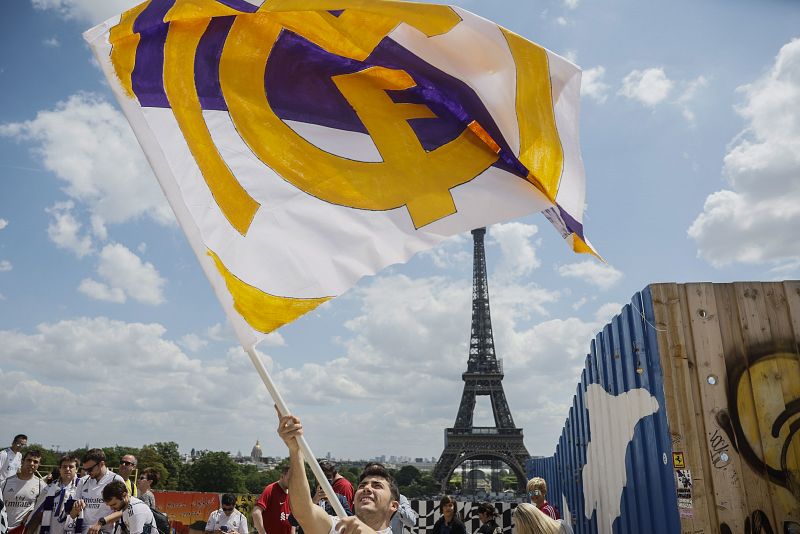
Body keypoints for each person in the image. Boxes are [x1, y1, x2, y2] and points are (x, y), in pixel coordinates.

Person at [277, 411, 398, 534]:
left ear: (393, 506)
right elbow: (303, 512)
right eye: (362, 485)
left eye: (377, 485)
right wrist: (295, 450)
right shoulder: (338, 526)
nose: (366, 488)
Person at [69, 448, 125, 534]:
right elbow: (72, 515)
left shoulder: (116, 479)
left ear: (101, 464)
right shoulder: (83, 481)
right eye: (85, 470)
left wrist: (100, 523)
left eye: (90, 469)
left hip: (106, 531)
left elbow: (124, 510)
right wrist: (76, 508)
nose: (87, 472)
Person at [1, 449, 46, 534]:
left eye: (35, 462)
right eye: (29, 460)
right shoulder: (5, 483)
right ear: (22, 461)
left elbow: (40, 511)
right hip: (3, 528)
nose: (31, 464)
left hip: (23, 530)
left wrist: (31, 512)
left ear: (39, 465)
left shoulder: (42, 486)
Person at [361, 464, 414, 534]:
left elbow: (411, 522)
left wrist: (395, 506)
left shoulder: (400, 499)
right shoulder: (360, 499)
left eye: (377, 484)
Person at [36, 455, 80, 534]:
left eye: (71, 467)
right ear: (59, 469)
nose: (67, 469)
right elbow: (38, 513)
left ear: (76, 469)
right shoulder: (48, 489)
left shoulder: (82, 487)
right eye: (64, 466)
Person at [252, 466, 291, 534]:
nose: (292, 482)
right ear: (282, 476)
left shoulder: (292, 493)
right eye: (289, 479)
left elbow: (291, 517)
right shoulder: (270, 489)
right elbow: (256, 513)